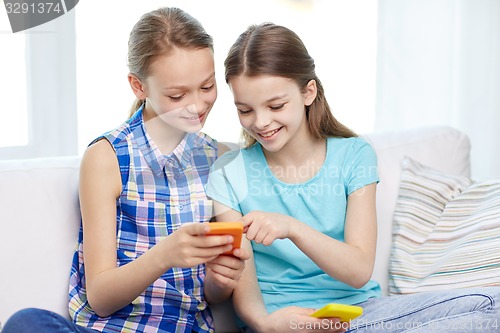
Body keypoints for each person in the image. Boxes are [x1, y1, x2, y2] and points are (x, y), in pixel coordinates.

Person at [206, 22, 500, 333]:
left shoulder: (354, 155)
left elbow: (359, 270)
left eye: (275, 105)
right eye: (245, 110)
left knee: (491, 306)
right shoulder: (228, 173)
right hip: (287, 323)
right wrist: (264, 324)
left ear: (308, 92)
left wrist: (292, 228)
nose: (261, 122)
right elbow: (242, 276)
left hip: (364, 315)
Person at [2, 7, 248, 333]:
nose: (198, 105)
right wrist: (165, 255)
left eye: (207, 87)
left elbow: (211, 298)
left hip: (182, 328)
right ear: (138, 86)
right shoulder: (107, 158)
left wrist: (220, 281)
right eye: (177, 94)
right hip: (107, 328)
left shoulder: (218, 157)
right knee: (27, 322)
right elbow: (101, 297)